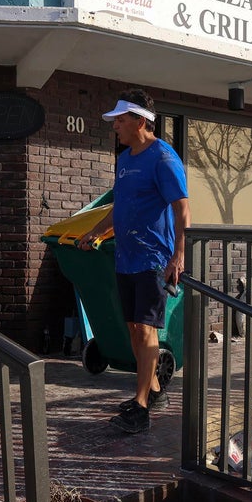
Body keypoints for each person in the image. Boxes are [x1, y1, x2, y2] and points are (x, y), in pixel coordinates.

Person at [77, 90, 190, 434]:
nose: (116, 127)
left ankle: (139, 407)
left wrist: (179, 254)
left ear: (141, 121)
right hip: (125, 258)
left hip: (154, 259)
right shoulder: (125, 159)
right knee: (132, 329)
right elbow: (119, 207)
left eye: (121, 121)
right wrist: (96, 232)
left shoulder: (164, 158)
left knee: (146, 329)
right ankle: (153, 390)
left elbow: (182, 208)